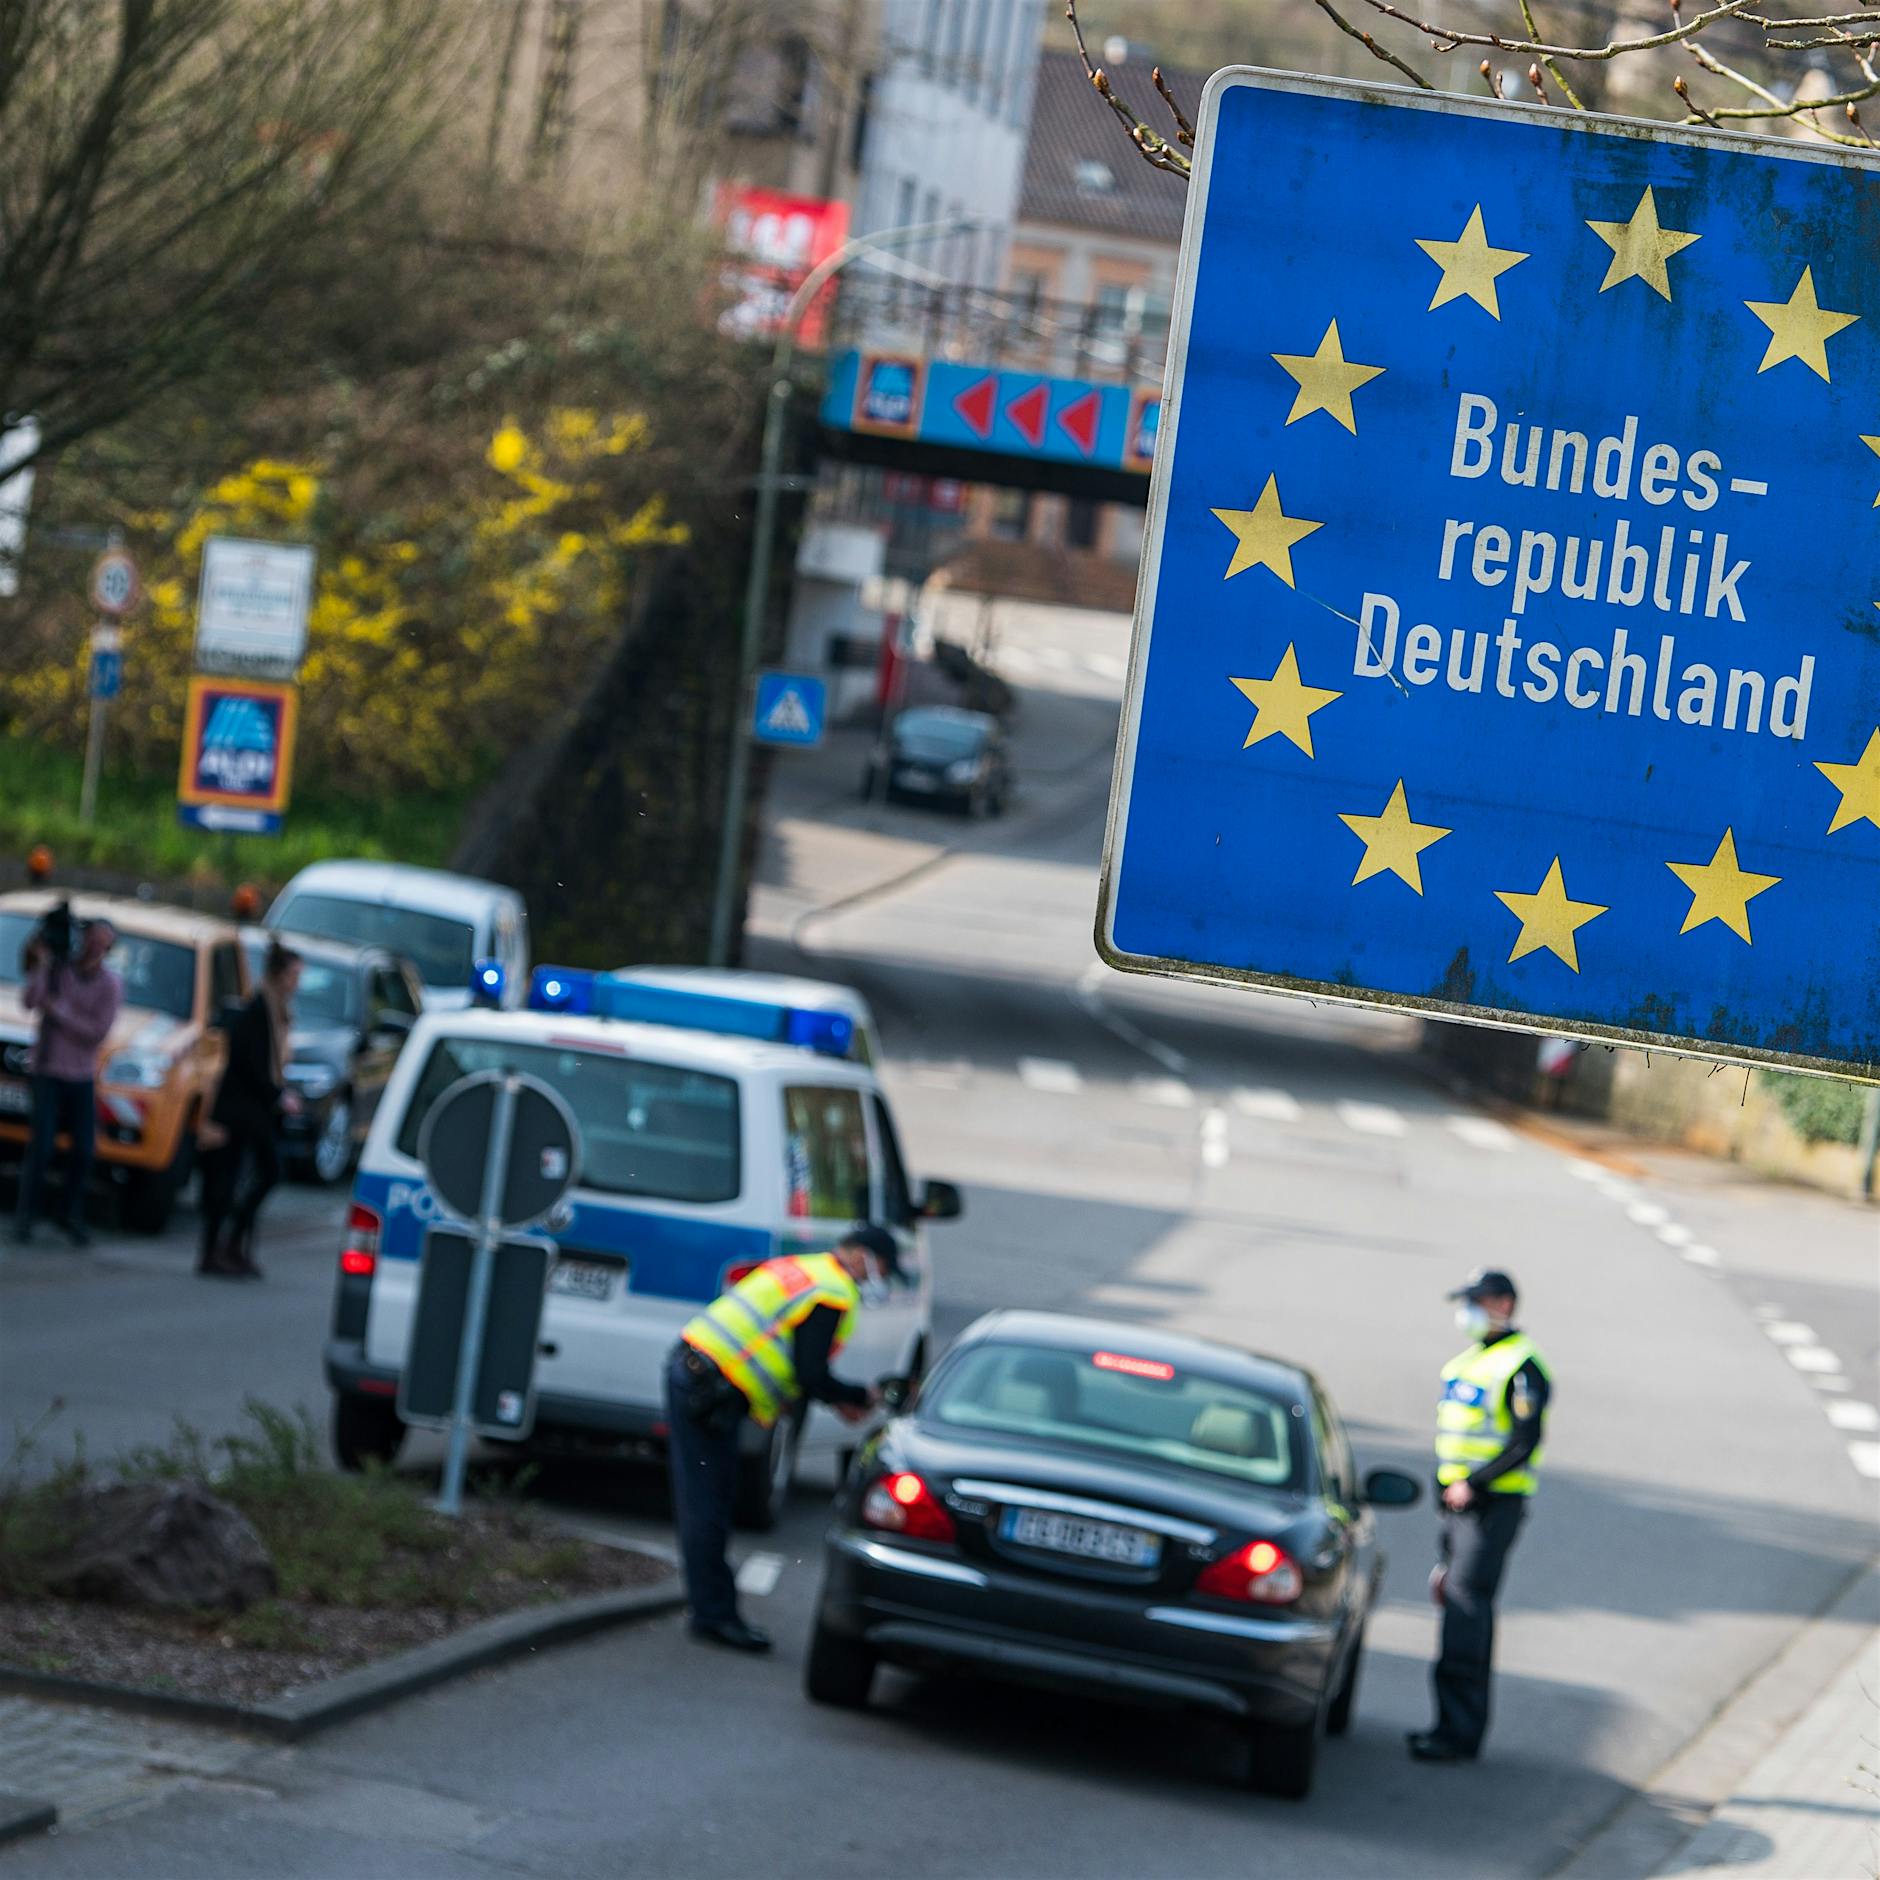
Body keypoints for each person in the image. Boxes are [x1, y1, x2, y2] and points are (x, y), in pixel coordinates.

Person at [666, 1224, 899, 1652]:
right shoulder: (833, 1290)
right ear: (861, 1254)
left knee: (707, 1497)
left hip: (699, 1374)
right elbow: (811, 1371)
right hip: (709, 1387)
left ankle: (712, 1608)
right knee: (708, 1502)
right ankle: (713, 1614)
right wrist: (853, 1397)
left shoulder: (804, 1268)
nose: (875, 1276)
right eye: (880, 1266)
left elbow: (786, 1360)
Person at [1409, 1266, 1552, 1764]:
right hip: (1459, 1507)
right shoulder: (1470, 1361)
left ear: (1505, 1305)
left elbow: (1524, 1442)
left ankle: (1459, 1733)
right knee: (1453, 1601)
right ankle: (1446, 1725)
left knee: (1468, 1608)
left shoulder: (1521, 1366)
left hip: (1490, 1507)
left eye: (1478, 1301)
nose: (1467, 1312)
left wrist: (1477, 1482)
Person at [13, 916, 121, 1247]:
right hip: (48, 1069)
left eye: (102, 942)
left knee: (84, 1150)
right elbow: (30, 1001)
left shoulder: (109, 984)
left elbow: (97, 1032)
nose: (94, 946)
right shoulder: (60, 971)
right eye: (91, 938)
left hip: (81, 1075)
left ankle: (68, 1213)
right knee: (41, 1147)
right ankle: (26, 1216)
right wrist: (44, 965)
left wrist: (60, 1011)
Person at [198, 940, 301, 1280]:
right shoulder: (258, 1010)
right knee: (246, 1175)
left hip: (251, 1110)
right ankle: (223, 1246)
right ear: (281, 975)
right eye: (294, 975)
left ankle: (231, 1247)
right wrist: (277, 1095)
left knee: (239, 1178)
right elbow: (251, 1064)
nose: (296, 983)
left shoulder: (275, 1011)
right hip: (241, 1110)